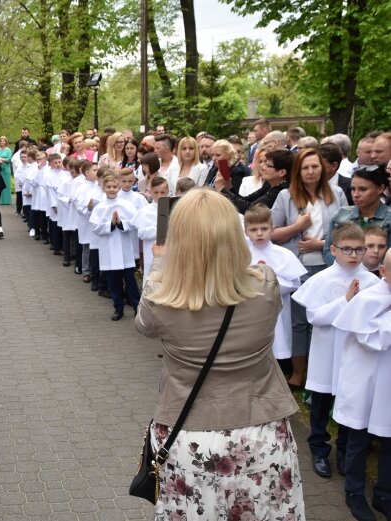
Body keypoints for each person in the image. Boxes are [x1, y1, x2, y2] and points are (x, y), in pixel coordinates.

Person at [135, 189, 304, 520]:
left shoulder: (162, 298)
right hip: (262, 431)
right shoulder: (265, 285)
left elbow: (143, 325)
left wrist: (160, 260)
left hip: (189, 434)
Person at [292, 223, 379, 483]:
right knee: (320, 403)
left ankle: (343, 450)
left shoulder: (372, 282)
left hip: (354, 355)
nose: (354, 255)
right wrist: (345, 301)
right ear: (333, 250)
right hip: (326, 352)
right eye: (347, 249)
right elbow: (315, 317)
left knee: (347, 403)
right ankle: (319, 448)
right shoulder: (322, 279)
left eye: (359, 249)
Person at [271, 147, 347, 389]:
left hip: (329, 267)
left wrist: (320, 244)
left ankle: (321, 376)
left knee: (325, 323)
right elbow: (273, 234)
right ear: (298, 171)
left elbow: (347, 233)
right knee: (299, 322)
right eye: (305, 167)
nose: (311, 171)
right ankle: (298, 373)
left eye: (315, 166)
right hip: (299, 268)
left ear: (323, 169)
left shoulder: (336, 194)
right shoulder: (286, 196)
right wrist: (298, 226)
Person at [332, 249, 391, 520]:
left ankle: (384, 493)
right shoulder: (368, 299)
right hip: (366, 382)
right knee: (359, 438)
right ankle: (354, 492)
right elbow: (373, 338)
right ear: (384, 271)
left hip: (388, 384)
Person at [244, 205, 306, 361]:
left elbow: (294, 283)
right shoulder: (242, 255)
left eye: (264, 228)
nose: (259, 233)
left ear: (272, 229)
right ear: (246, 232)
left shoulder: (283, 254)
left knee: (277, 341)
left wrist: (268, 279)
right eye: (253, 229)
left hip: (277, 307)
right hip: (249, 307)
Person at [89, 173, 140, 321]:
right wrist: (111, 224)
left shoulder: (126, 205)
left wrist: (120, 223)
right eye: (108, 187)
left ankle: (137, 307)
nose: (112, 189)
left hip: (124, 249)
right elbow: (96, 228)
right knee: (113, 283)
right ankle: (118, 308)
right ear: (103, 188)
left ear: (118, 187)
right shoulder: (100, 207)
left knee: (130, 281)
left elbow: (134, 222)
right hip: (109, 250)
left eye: (114, 186)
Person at [323, 165, 391, 265]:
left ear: (380, 188)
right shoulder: (341, 215)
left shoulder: (389, 219)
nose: (355, 194)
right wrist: (347, 270)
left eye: (363, 189)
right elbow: (328, 251)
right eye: (353, 189)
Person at [216, 149, 293, 214]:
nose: (263, 167)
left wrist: (222, 190)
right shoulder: (270, 184)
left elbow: (251, 210)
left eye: (268, 165)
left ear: (282, 172)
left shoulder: (282, 190)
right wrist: (229, 188)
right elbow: (247, 200)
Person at [130, 177, 168, 281]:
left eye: (163, 192)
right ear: (150, 192)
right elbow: (141, 234)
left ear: (168, 192)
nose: (159, 195)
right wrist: (160, 228)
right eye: (156, 192)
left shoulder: (172, 209)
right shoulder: (145, 211)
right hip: (151, 251)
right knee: (151, 277)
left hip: (169, 250)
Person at [0, 136, 13, 205]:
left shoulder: (8, 150)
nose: (2, 142)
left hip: (6, 170)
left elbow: (9, 159)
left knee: (6, 184)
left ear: (6, 142)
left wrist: (2, 159)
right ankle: (0, 200)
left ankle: (7, 201)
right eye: (1, 141)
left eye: (3, 141)